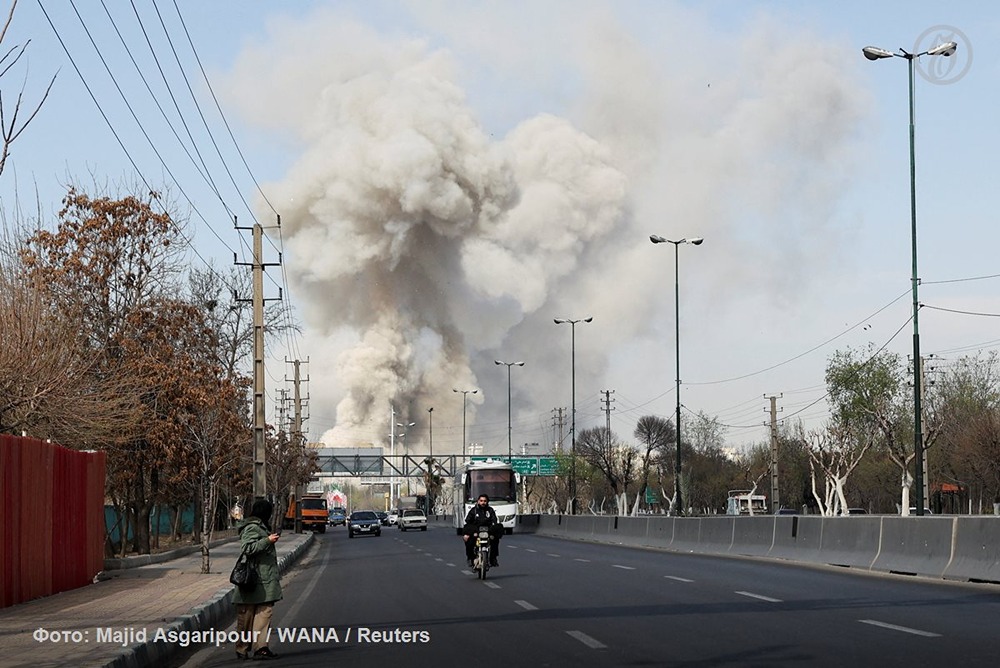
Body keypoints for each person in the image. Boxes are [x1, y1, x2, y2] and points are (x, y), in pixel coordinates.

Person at [233, 498, 283, 660]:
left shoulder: (260, 526)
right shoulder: (252, 528)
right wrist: (267, 541)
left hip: (265, 579)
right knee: (247, 616)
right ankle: (242, 648)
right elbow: (247, 548)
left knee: (265, 613)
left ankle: (261, 647)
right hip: (252, 580)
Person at [462, 494, 501, 567]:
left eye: (485, 501)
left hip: (487, 530)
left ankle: (493, 558)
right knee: (469, 541)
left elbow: (494, 520)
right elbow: (468, 521)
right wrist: (467, 533)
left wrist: (495, 529)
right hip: (476, 530)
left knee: (495, 539)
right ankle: (470, 558)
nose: (483, 503)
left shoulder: (490, 510)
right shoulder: (474, 510)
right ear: (478, 501)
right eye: (481, 501)